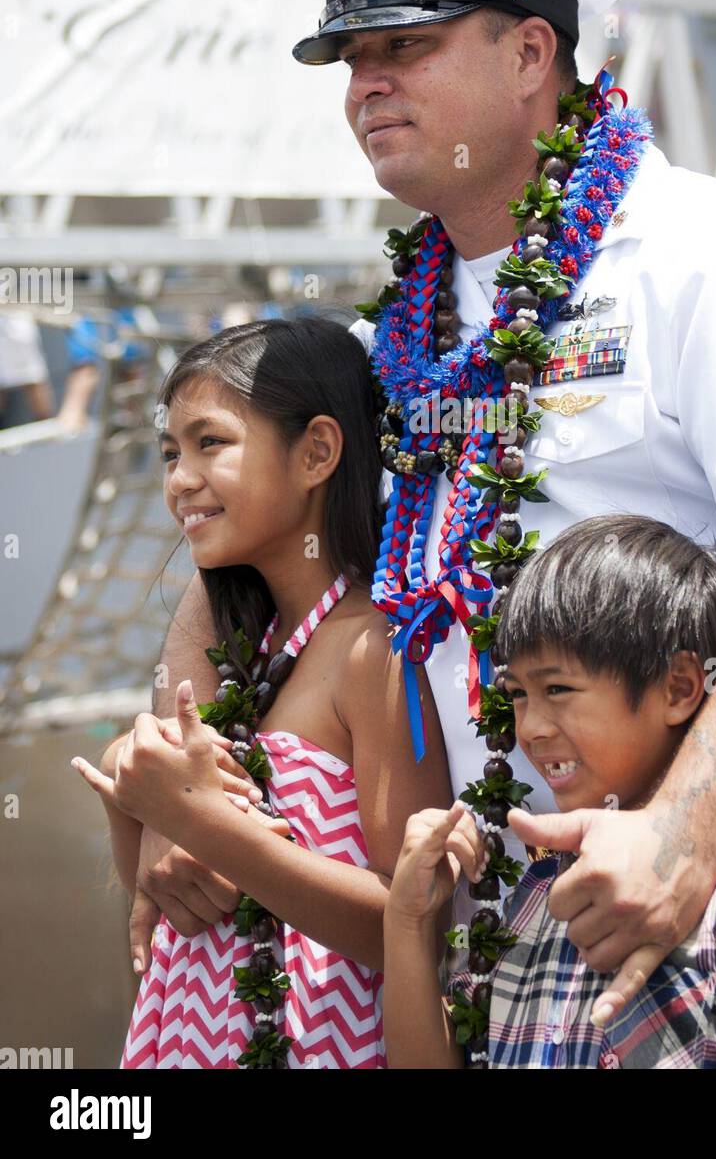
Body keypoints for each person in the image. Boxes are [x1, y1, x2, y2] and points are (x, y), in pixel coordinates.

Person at [133, 0, 716, 1068]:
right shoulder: (382, 340)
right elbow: (234, 543)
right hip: (501, 958)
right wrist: (187, 795)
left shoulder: (709, 256)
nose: (366, 85)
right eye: (350, 58)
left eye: (405, 43)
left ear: (529, 52)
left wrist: (683, 835)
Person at [72, 317, 449, 1067]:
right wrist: (131, 783)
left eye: (211, 443)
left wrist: (204, 822)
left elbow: (408, 920)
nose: (180, 479)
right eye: (170, 453)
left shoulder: (371, 649)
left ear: (317, 452)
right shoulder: (244, 645)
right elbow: (164, 906)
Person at [384, 515, 716, 1069]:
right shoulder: (537, 894)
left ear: (679, 686)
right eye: (518, 695)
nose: (530, 727)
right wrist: (409, 922)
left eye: (558, 688)